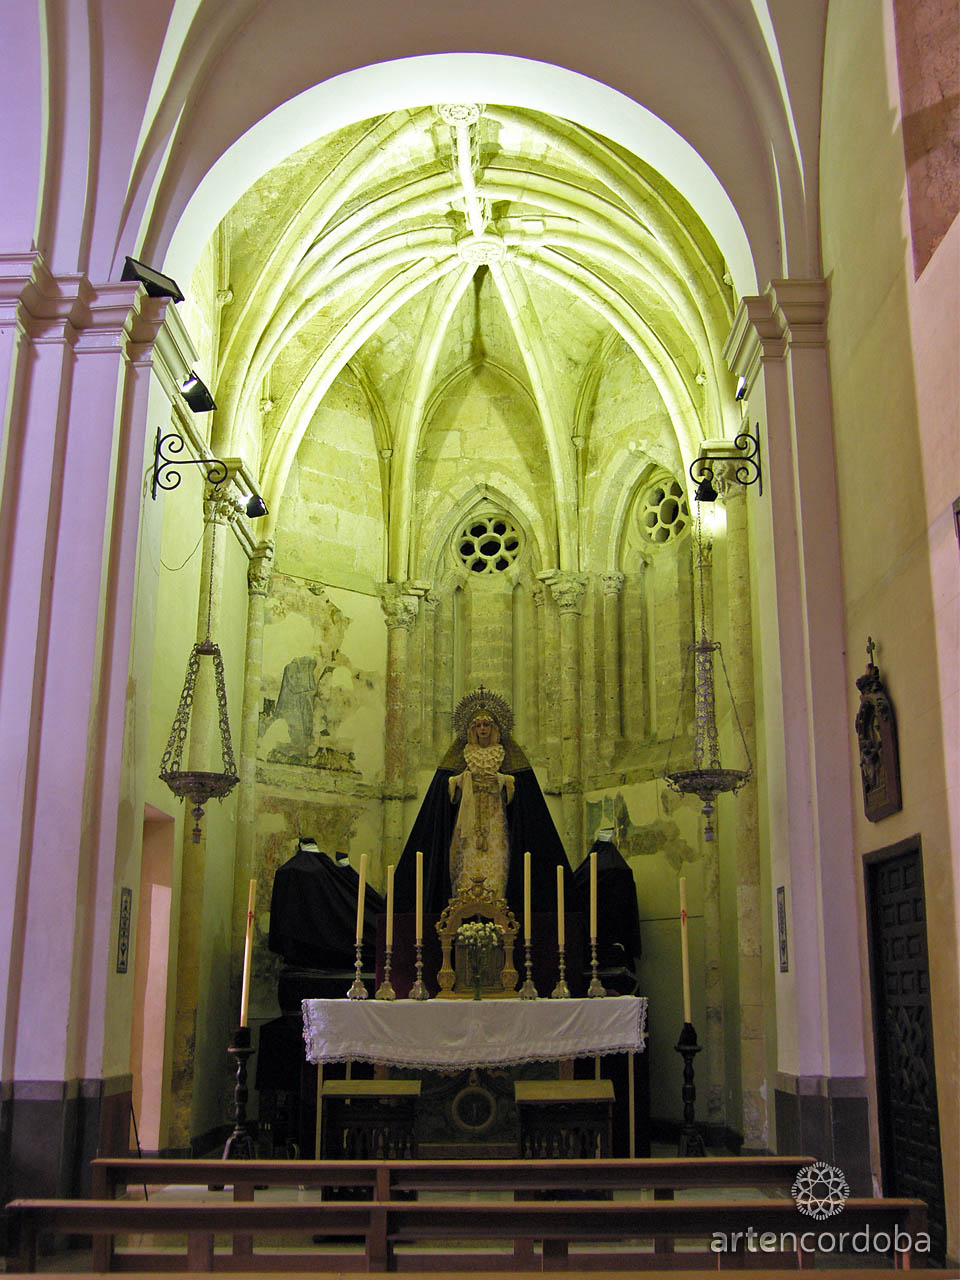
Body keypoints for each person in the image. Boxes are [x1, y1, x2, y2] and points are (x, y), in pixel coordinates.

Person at [394, 686, 577, 922]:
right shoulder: (462, 754)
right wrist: (461, 780)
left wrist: (502, 780)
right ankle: (464, 915)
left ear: (495, 728)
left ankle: (496, 915)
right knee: (465, 863)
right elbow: (443, 790)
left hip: (495, 819)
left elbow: (523, 792)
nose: (482, 729)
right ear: (471, 729)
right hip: (466, 823)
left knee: (498, 862)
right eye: (478, 725)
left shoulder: (506, 754)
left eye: (487, 725)